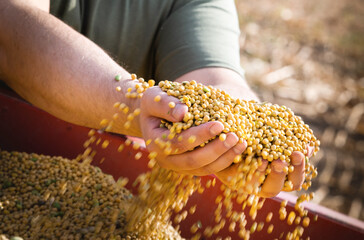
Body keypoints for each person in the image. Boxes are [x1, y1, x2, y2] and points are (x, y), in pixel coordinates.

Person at [0, 0, 310, 198]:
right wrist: (137, 104)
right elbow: (10, 30)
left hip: (95, 184)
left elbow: (216, 81)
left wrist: (248, 129)